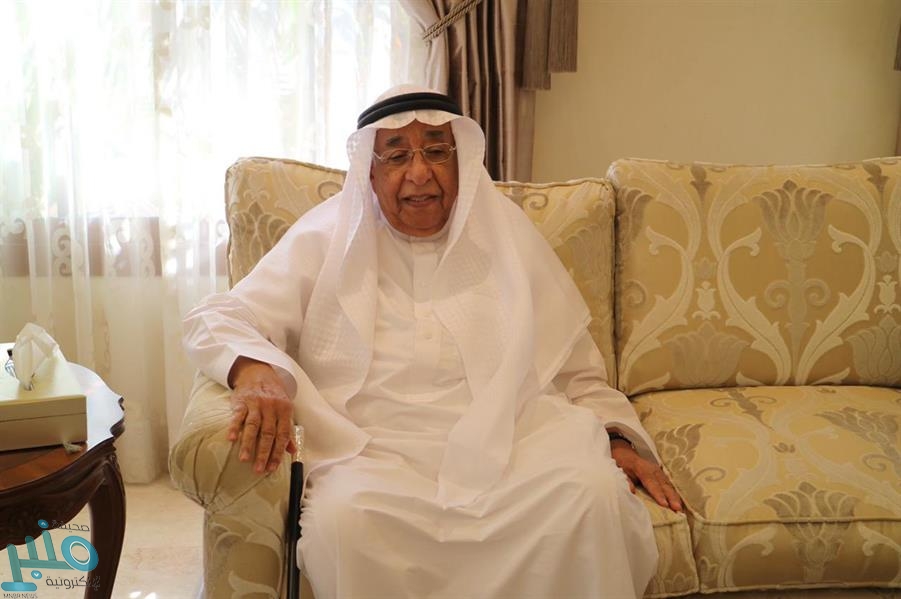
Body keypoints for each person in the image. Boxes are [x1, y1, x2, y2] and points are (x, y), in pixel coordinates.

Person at [183, 85, 682, 599]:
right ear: (370, 171)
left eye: (437, 151)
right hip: (372, 453)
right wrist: (253, 371)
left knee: (592, 494)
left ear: (461, 161)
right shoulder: (328, 236)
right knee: (345, 524)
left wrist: (617, 439)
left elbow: (576, 371)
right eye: (397, 155)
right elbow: (216, 316)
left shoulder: (506, 233)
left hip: (513, 445)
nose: (419, 173)